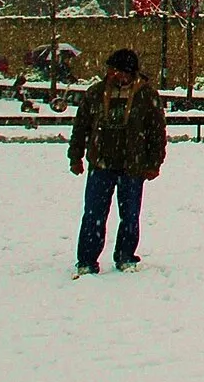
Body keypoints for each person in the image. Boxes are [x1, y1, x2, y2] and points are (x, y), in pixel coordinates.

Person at [69, 48, 168, 276]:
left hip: (133, 166)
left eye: (116, 70)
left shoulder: (145, 95)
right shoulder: (95, 93)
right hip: (101, 163)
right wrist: (75, 156)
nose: (112, 74)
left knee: (130, 214)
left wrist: (155, 162)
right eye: (110, 70)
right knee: (93, 214)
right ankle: (86, 259)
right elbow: (81, 126)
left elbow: (156, 132)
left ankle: (125, 256)